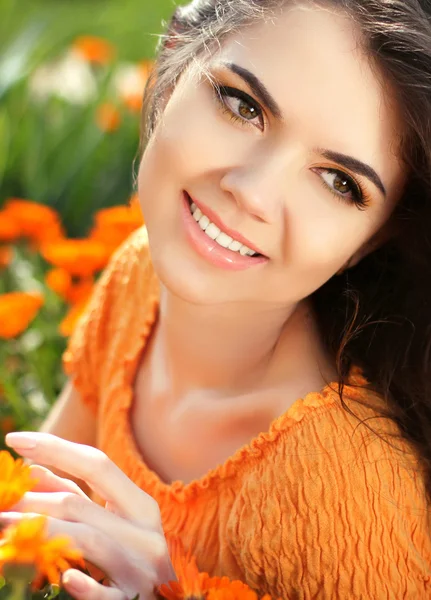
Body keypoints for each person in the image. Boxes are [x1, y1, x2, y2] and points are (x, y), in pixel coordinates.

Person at [4, 0, 431, 597]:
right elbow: (25, 503)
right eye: (243, 106)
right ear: (175, 62)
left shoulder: (352, 497)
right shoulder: (136, 277)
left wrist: (168, 590)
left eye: (339, 182)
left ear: (372, 239)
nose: (252, 192)